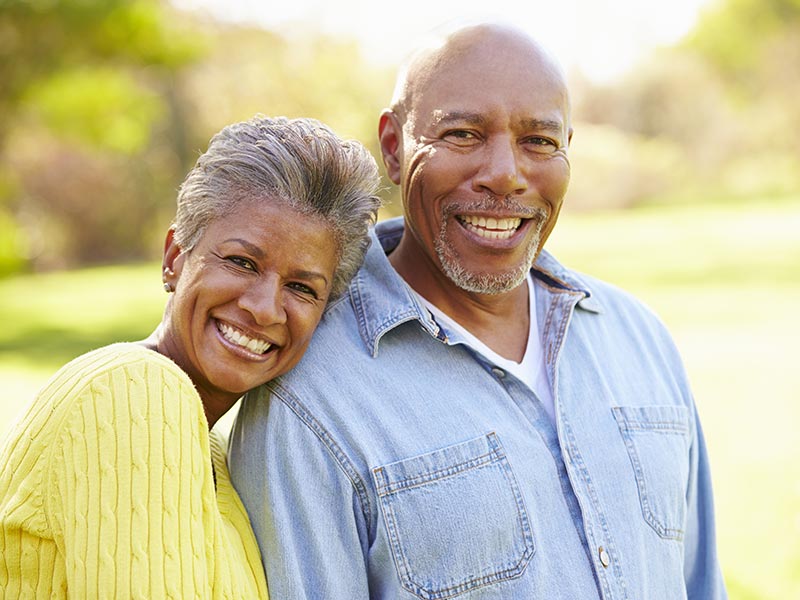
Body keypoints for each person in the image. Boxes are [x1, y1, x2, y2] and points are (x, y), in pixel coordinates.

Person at [229, 23, 727, 600]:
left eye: (539, 141)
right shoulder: (307, 396)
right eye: (463, 134)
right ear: (393, 146)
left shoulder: (640, 339)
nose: (505, 174)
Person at [0, 115, 381, 598]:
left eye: (301, 288)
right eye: (241, 262)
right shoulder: (132, 393)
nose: (263, 309)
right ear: (175, 258)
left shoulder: (212, 450)